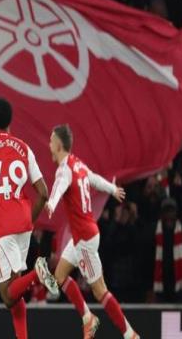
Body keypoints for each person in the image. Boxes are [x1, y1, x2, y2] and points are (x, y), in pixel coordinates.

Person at [45, 124, 139, 339]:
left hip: (84, 240)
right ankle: (88, 318)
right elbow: (93, 178)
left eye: (51, 141)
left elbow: (59, 186)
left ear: (58, 145)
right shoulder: (77, 163)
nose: (49, 145)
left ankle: (130, 334)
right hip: (83, 235)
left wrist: (51, 203)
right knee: (59, 276)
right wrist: (112, 189)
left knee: (99, 290)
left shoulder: (64, 169)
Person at [0, 97, 58, 339]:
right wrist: (29, 220)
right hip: (23, 223)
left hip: (3, 226)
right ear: (10, 121)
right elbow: (43, 192)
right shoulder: (24, 148)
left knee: (7, 296)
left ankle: (37, 273)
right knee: (16, 293)